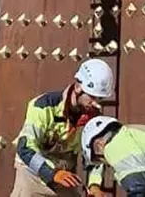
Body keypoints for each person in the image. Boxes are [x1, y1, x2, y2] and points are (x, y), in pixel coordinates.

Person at [12, 59, 114, 197]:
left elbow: (95, 155)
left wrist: (94, 185)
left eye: (99, 99)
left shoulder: (93, 117)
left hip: (64, 177)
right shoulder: (43, 106)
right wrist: (51, 173)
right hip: (33, 176)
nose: (95, 104)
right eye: (92, 97)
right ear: (78, 88)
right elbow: (25, 147)